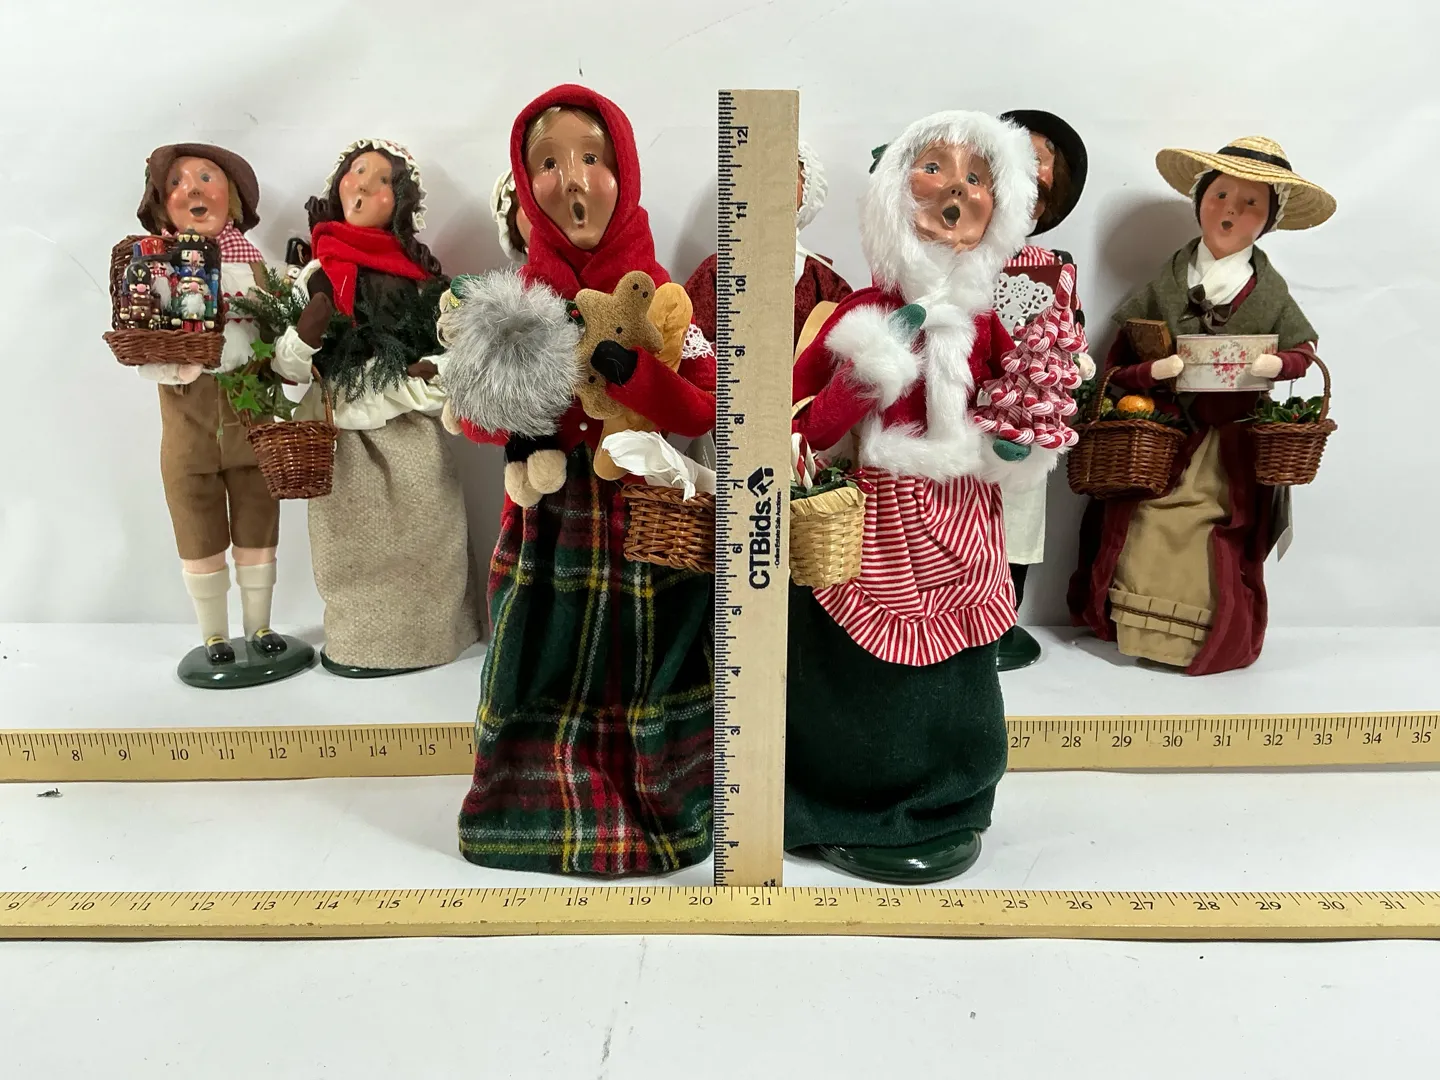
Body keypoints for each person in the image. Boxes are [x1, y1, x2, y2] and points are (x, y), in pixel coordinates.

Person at [443, 85, 718, 876]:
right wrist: (517, 389)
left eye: (594, 158)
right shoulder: (516, 299)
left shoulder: (660, 296)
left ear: (624, 173)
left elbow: (703, 403)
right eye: (549, 163)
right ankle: (528, 803)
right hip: (550, 519)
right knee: (541, 654)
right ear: (526, 188)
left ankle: (657, 803)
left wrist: (636, 376)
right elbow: (480, 420)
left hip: (645, 516)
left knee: (647, 660)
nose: (573, 180)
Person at [787, 110, 1054, 883]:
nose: (955, 189)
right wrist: (868, 373)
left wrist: (1018, 440)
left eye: (977, 176)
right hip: (872, 513)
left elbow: (1016, 402)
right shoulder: (857, 312)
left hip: (964, 509)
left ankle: (949, 796)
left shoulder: (992, 319)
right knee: (864, 671)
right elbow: (805, 426)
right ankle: (848, 803)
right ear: (893, 192)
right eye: (933, 167)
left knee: (957, 673)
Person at [1067, 136, 1336, 675]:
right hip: (1163, 439)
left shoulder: (1268, 291)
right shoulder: (1168, 282)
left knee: (1213, 529)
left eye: (1251, 203)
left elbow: (1304, 353)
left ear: (1268, 220)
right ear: (1200, 201)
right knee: (1146, 521)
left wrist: (1277, 365)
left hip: (1227, 444)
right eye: (1220, 196)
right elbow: (1116, 366)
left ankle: (1197, 635)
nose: (1231, 211)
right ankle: (1139, 627)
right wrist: (1152, 373)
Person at [271, 139, 479, 677]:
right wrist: (304, 337)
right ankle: (361, 642)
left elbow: (454, 348)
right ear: (337, 183)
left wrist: (434, 366)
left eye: (382, 179)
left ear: (400, 201)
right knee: (350, 544)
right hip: (344, 437)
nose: (364, 183)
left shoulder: (421, 279)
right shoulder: (315, 273)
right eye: (356, 170)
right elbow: (286, 374)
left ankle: (435, 634)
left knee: (428, 532)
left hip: (411, 426)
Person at [133, 143, 310, 681]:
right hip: (188, 430)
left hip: (252, 424)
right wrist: (181, 360)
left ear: (230, 197)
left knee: (258, 525)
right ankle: (213, 632)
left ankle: (259, 626)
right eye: (176, 183)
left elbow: (283, 336)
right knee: (197, 528)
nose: (192, 189)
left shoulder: (256, 267)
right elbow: (143, 347)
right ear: (163, 205)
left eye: (206, 178)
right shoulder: (156, 269)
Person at [990, 109, 1095, 670]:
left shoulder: (1057, 267)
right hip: (963, 410)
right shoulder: (956, 256)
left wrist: (1074, 361)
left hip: (1031, 413)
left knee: (1020, 517)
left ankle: (1002, 620)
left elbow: (1071, 328)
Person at [685, 140, 853, 350]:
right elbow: (686, 345)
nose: (773, 187)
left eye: (785, 177)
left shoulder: (826, 283)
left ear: (807, 193)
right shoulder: (717, 271)